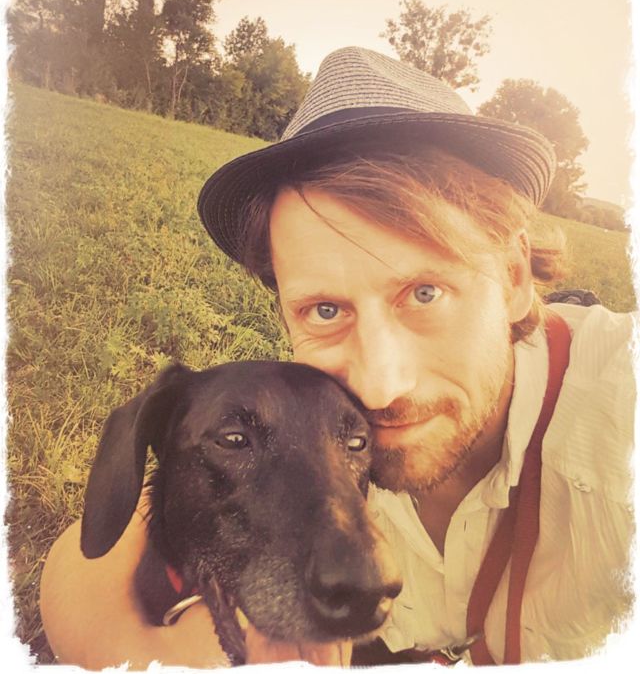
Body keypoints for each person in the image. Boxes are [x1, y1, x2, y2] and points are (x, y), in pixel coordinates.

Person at [40, 46, 635, 667]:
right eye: (325, 310)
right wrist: (159, 655)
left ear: (514, 277)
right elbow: (89, 559)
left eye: (424, 294)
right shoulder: (318, 426)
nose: (377, 387)